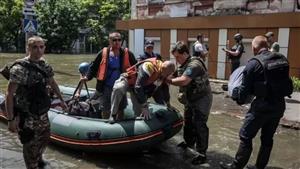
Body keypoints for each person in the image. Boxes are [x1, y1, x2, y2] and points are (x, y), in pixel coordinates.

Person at [220, 36, 293, 169]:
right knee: (267, 138)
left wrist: (236, 97)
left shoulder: (253, 63)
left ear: (254, 48)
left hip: (261, 107)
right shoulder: (282, 59)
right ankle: (259, 167)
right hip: (279, 105)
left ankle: (236, 167)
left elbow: (243, 92)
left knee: (245, 135)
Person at [5, 36, 67, 169]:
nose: (39, 50)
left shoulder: (44, 65)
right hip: (27, 115)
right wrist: (10, 120)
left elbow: (52, 82)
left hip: (42, 112)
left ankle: (38, 159)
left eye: (41, 47)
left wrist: (61, 100)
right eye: (35, 47)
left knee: (44, 138)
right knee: (30, 145)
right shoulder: (19, 69)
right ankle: (32, 165)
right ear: (28, 48)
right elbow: (9, 94)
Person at [166, 41, 212, 165]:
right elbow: (176, 73)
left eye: (178, 57)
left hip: (202, 99)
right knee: (188, 122)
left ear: (185, 53)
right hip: (191, 98)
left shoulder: (194, 65)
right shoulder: (184, 64)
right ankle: (189, 142)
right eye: (175, 57)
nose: (176, 60)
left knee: (199, 125)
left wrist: (168, 80)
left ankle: (202, 153)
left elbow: (184, 80)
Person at [81, 32, 137, 119]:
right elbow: (93, 67)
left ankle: (120, 125)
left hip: (121, 86)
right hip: (106, 86)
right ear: (110, 41)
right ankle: (106, 124)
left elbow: (136, 66)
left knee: (120, 108)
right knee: (105, 109)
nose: (117, 42)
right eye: (114, 40)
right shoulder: (103, 53)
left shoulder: (127, 53)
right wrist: (87, 77)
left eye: (119, 40)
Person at [109, 58, 175, 122]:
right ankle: (113, 114)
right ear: (164, 69)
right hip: (128, 80)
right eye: (167, 74)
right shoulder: (149, 66)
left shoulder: (162, 74)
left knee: (139, 113)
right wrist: (144, 106)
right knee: (118, 88)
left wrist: (168, 103)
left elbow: (164, 89)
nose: (167, 76)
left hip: (137, 89)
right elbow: (138, 86)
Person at [138, 40, 170, 106]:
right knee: (143, 103)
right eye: (148, 47)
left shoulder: (157, 56)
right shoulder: (141, 57)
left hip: (156, 83)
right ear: (145, 47)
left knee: (161, 102)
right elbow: (140, 69)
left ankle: (166, 105)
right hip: (146, 83)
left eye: (151, 48)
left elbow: (162, 66)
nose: (150, 49)